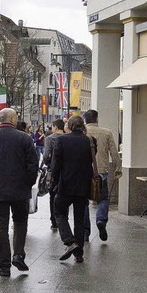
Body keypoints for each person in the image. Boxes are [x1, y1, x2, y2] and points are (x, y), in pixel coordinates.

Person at [0, 108, 39, 277]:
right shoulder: (24, 138)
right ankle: (18, 254)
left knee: (1, 226)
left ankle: (4, 266)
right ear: (12, 119)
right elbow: (33, 164)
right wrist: (28, 183)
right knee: (20, 221)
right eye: (16, 117)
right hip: (20, 190)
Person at [51, 115, 96, 263]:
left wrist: (54, 182)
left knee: (59, 211)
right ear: (82, 126)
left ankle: (70, 241)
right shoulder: (90, 141)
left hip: (66, 184)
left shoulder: (61, 140)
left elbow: (56, 164)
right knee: (79, 219)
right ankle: (79, 254)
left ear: (68, 126)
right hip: (84, 184)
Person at [83, 109, 122, 242]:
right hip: (101, 172)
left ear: (85, 120)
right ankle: (101, 220)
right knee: (103, 198)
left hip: (85, 172)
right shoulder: (106, 132)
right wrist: (118, 169)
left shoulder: (82, 133)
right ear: (97, 119)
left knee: (84, 202)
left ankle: (85, 232)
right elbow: (114, 153)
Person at [43, 118, 66, 230]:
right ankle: (63, 218)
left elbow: (46, 156)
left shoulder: (49, 139)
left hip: (53, 171)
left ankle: (54, 221)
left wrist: (48, 164)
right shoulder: (68, 137)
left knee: (52, 195)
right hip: (66, 171)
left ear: (56, 127)